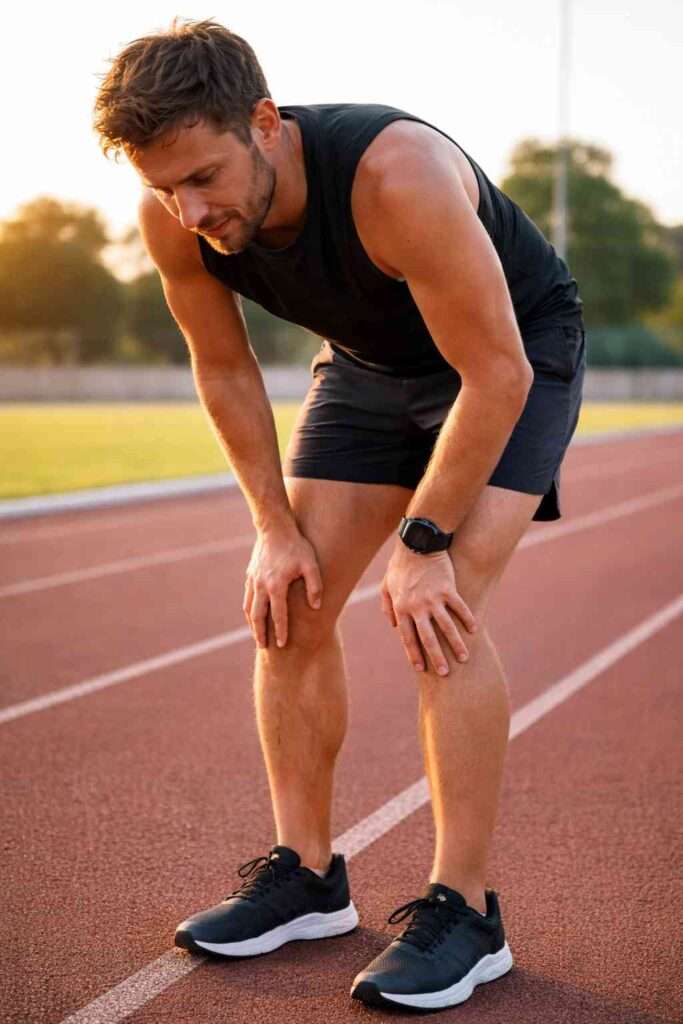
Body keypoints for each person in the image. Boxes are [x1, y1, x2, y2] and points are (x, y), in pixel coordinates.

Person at [93, 17, 585, 1012]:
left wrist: (424, 541)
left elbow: (493, 369)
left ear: (264, 122)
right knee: (289, 603)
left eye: (201, 176)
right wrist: (271, 528)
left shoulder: (391, 174)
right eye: (162, 187)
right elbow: (222, 364)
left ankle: (467, 910)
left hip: (506, 355)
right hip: (366, 371)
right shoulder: (173, 214)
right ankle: (309, 877)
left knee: (439, 615)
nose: (188, 210)